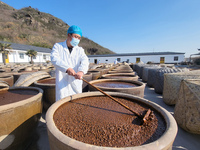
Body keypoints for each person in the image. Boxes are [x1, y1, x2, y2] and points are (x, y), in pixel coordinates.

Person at [51, 25, 89, 101]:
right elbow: (54, 59)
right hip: (62, 84)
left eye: (79, 38)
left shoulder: (80, 50)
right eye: (75, 36)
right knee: (62, 104)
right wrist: (67, 68)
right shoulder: (58, 46)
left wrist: (81, 71)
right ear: (69, 35)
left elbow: (85, 61)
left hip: (75, 83)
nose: (77, 39)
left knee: (76, 102)